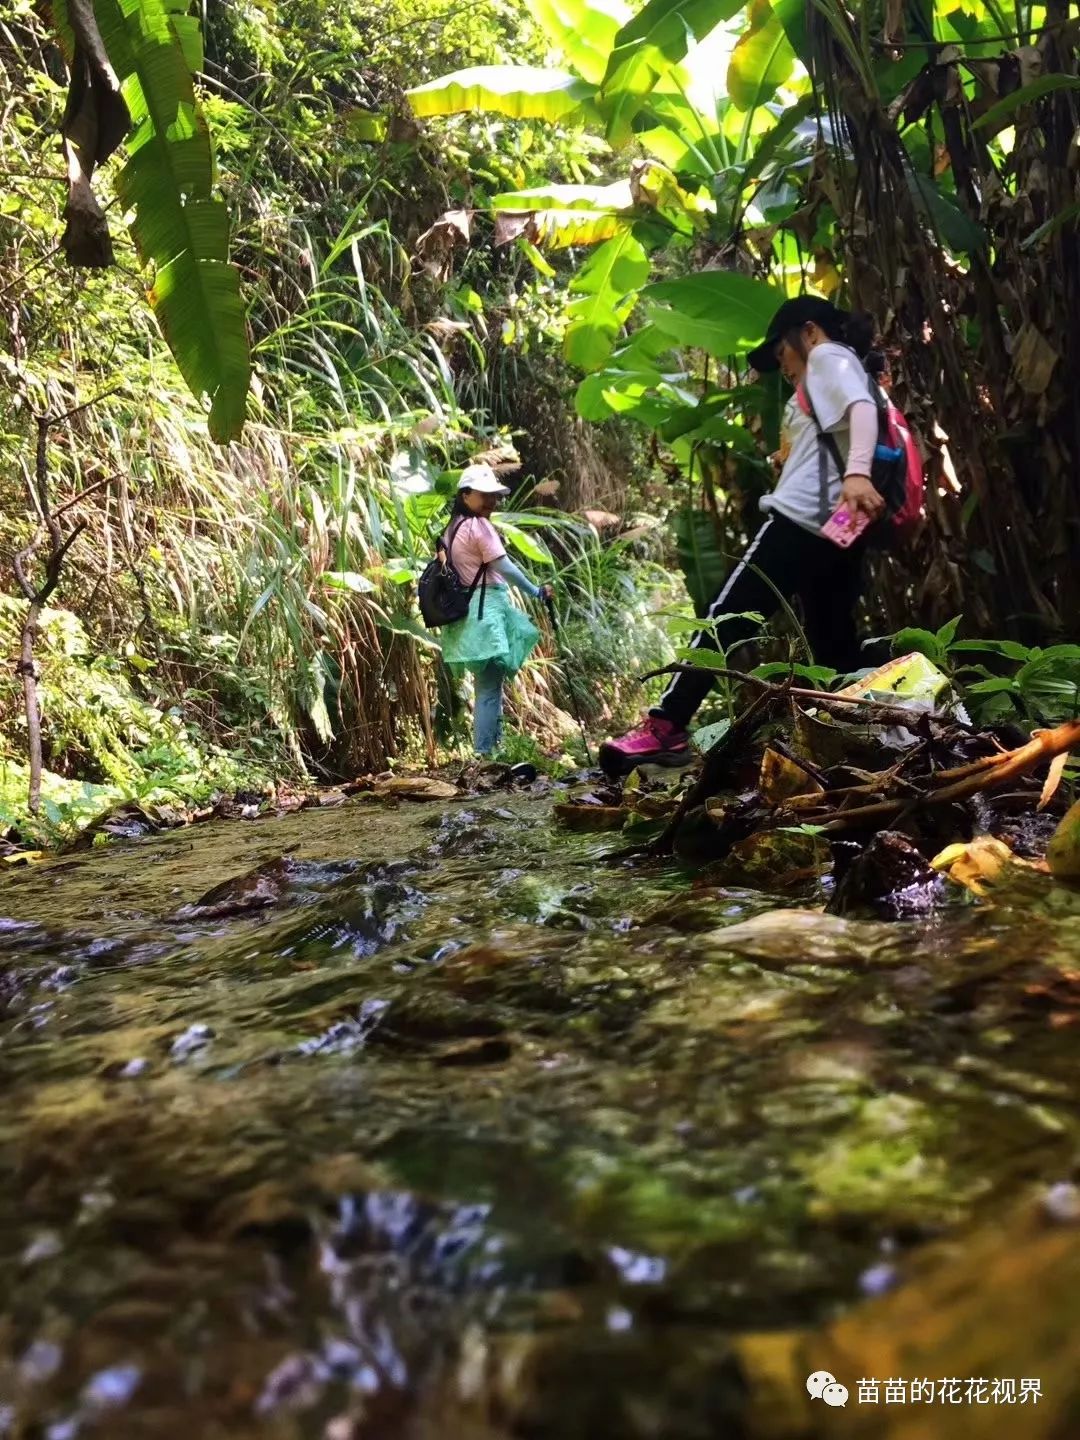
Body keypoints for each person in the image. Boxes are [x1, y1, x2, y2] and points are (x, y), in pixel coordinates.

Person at [600, 294, 885, 777]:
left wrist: (857, 473)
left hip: (801, 518)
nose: (785, 367)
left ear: (810, 331)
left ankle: (666, 728)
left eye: (782, 354)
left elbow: (860, 409)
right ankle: (858, 739)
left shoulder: (827, 355)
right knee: (832, 636)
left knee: (724, 616)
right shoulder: (844, 364)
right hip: (838, 525)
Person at [438, 462, 554, 757]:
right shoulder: (478, 526)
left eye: (494, 496)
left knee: (487, 688)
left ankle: (492, 751)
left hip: (470, 614)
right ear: (465, 495)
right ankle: (486, 754)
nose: (491, 501)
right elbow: (503, 566)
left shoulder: (451, 530)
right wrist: (535, 591)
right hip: (486, 611)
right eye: (484, 495)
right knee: (489, 689)